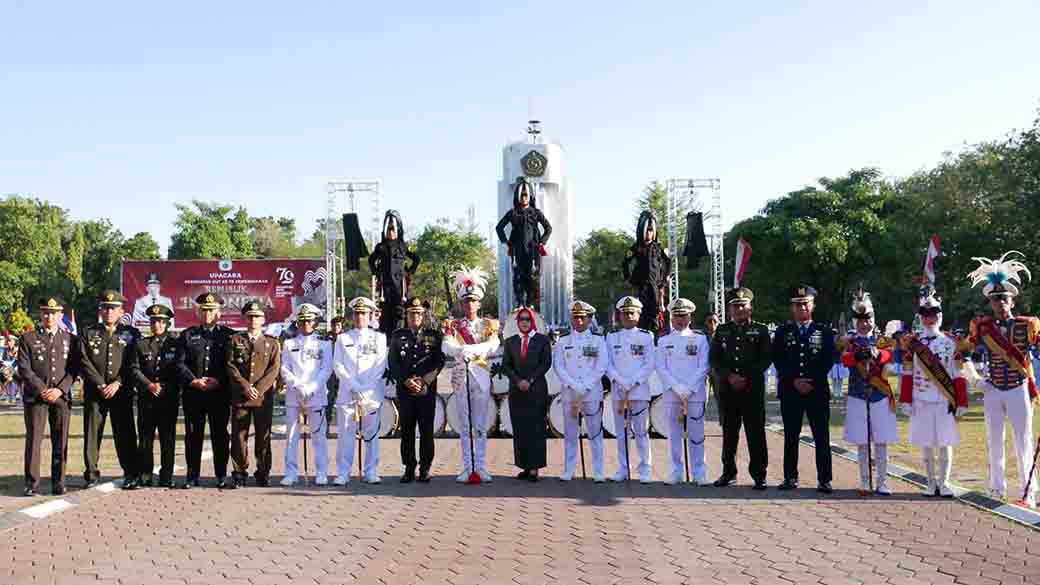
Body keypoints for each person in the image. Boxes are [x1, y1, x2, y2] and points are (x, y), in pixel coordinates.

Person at [965, 252, 1040, 506]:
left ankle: (1029, 492)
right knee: (994, 441)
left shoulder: (1028, 325)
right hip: (994, 389)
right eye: (995, 299)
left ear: (1012, 302)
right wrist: (975, 378)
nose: (1000, 303)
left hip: (1019, 388)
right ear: (991, 303)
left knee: (1023, 441)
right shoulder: (982, 326)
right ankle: (997, 488)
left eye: (1004, 299)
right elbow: (963, 353)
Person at [899, 286, 968, 497]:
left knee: (945, 442)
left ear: (940, 316)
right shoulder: (913, 343)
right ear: (921, 318)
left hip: (944, 399)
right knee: (926, 444)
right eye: (925, 315)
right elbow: (908, 373)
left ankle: (944, 483)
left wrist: (962, 401)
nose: (930, 319)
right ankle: (930, 483)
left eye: (933, 314)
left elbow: (958, 373)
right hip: (921, 399)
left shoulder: (950, 342)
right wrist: (906, 400)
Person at [772, 285, 836, 493]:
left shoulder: (824, 331)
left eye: (805, 304)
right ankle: (790, 477)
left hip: (816, 391)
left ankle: (824, 479)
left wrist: (811, 382)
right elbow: (778, 359)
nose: (802, 308)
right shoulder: (783, 331)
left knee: (821, 436)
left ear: (813, 305)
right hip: (790, 390)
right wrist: (794, 380)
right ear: (792, 307)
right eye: (797, 304)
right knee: (791, 436)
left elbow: (828, 360)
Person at [442, 266, 500, 483]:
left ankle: (481, 466)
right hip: (461, 377)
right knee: (465, 426)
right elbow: (447, 347)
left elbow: (493, 345)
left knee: (481, 425)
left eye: (473, 301)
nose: (469, 305)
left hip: (481, 377)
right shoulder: (453, 325)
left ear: (479, 303)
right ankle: (468, 467)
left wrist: (470, 349)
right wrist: (462, 351)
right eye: (466, 301)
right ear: (461, 303)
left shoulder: (488, 325)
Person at [708, 287, 770, 490]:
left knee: (756, 433)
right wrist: (730, 376)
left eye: (743, 305)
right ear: (729, 309)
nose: (739, 309)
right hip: (728, 389)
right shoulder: (722, 330)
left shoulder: (760, 330)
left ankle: (759, 475)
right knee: (729, 433)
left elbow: (765, 359)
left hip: (752, 389)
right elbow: (715, 359)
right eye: (735, 306)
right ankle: (728, 472)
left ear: (751, 307)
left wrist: (746, 377)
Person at [17, 297, 80, 496]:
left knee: (60, 441)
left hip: (61, 397)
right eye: (46, 313)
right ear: (40, 314)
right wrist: (43, 389)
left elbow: (74, 369)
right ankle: (31, 484)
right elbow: (24, 369)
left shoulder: (70, 339)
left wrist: (59, 390)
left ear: (60, 315)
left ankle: (59, 483)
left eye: (53, 313)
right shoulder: (28, 338)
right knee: (34, 441)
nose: (49, 317)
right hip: (36, 398)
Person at [80, 290, 141, 489]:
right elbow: (84, 360)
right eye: (105, 308)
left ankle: (131, 473)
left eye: (113, 308)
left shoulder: (132, 334)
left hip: (121, 392)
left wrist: (118, 383)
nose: (109, 311)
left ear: (121, 311)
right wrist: (100, 383)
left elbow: (134, 362)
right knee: (92, 434)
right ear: (100, 310)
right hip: (95, 392)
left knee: (125, 434)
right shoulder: (89, 332)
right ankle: (91, 474)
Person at [840, 289, 897, 496]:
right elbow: (844, 359)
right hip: (858, 394)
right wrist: (856, 355)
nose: (864, 324)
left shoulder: (882, 339)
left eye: (868, 319)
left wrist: (878, 354)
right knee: (862, 442)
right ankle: (865, 481)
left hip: (879, 395)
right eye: (861, 320)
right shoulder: (850, 341)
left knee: (881, 441)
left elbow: (890, 356)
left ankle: (882, 482)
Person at [176, 292, 235, 489]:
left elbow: (232, 365)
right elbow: (180, 363)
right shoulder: (187, 335)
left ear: (219, 312)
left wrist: (219, 380)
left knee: (220, 435)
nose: (208, 313)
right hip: (194, 394)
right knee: (193, 436)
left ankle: (221, 475)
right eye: (204, 310)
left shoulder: (229, 335)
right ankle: (192, 476)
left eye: (212, 310)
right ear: (198, 312)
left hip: (219, 394)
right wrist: (193, 381)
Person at [388, 298, 445, 483]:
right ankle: (409, 467)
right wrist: (406, 380)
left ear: (424, 314)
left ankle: (425, 468)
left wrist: (425, 381)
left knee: (426, 430)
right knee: (407, 430)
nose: (416, 317)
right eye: (412, 313)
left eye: (419, 313)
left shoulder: (434, 335)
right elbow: (393, 362)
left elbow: (439, 360)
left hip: (426, 390)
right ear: (406, 315)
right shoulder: (398, 336)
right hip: (405, 390)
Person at [656, 298, 711, 485]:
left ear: (690, 317)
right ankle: (676, 471)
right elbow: (660, 367)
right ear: (671, 318)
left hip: (694, 392)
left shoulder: (700, 339)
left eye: (684, 316)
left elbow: (704, 366)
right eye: (677, 316)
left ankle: (699, 472)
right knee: (674, 434)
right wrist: (677, 387)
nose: (680, 320)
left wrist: (689, 387)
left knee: (697, 434)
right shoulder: (664, 341)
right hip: (673, 393)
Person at [332, 297, 388, 484]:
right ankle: (343, 472)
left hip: (371, 394)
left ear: (370, 315)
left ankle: (371, 470)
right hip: (348, 394)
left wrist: (365, 389)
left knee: (371, 434)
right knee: (345, 435)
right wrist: (354, 386)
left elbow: (380, 366)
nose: (359, 317)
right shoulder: (343, 338)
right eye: (356, 313)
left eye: (363, 313)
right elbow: (338, 365)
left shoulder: (379, 338)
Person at [226, 301, 281, 489]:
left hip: (262, 398)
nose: (253, 320)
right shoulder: (235, 340)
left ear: (263, 319)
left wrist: (258, 389)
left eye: (257, 316)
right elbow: (231, 366)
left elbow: (274, 370)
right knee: (239, 436)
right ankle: (239, 473)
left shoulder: (272, 343)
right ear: (245, 318)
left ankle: (263, 473)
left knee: (263, 436)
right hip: (241, 396)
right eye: (250, 316)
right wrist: (245, 387)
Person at [553, 300, 609, 482]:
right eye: (575, 317)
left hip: (591, 392)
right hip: (570, 392)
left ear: (589, 319)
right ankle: (569, 469)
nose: (578, 321)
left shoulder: (598, 340)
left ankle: (598, 471)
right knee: (570, 433)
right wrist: (572, 384)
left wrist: (585, 385)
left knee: (595, 432)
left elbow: (602, 365)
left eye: (582, 318)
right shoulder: (563, 341)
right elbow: (558, 366)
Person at [280, 304, 333, 485]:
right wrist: (298, 386)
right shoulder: (289, 344)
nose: (306, 324)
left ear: (315, 322)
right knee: (292, 436)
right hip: (294, 395)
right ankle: (291, 473)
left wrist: (311, 388)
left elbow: (326, 369)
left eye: (309, 321)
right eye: (302, 321)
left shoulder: (324, 344)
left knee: (318, 436)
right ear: (298, 323)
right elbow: (285, 369)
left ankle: (321, 472)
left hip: (316, 395)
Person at [606, 296, 657, 483]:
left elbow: (650, 363)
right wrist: (620, 380)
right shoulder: (612, 337)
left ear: (638, 314)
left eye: (631, 313)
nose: (628, 316)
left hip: (639, 390)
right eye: (625, 313)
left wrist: (633, 381)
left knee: (641, 431)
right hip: (619, 389)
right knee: (621, 432)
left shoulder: (646, 336)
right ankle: (623, 468)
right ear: (619, 315)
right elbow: (607, 363)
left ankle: (645, 468)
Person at [131, 304, 181, 487]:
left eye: (161, 322)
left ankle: (166, 476)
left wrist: (164, 386)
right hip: (147, 399)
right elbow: (134, 369)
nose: (157, 325)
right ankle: (145, 475)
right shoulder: (141, 344)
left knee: (168, 438)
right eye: (153, 321)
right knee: (145, 438)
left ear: (167, 324)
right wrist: (149, 385)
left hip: (168, 399)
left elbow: (180, 370)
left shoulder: (176, 345)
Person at [501, 307, 552, 481]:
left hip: (536, 390)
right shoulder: (511, 341)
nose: (524, 322)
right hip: (517, 391)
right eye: (521, 319)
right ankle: (524, 465)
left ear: (532, 321)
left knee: (536, 428)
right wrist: (518, 381)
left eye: (527, 319)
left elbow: (545, 363)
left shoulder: (542, 340)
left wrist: (529, 380)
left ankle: (535, 468)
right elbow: (506, 365)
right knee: (520, 428)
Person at [496, 176, 552, 309]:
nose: (524, 198)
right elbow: (499, 227)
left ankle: (530, 303)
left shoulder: (536, 212)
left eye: (526, 195)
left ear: (530, 196)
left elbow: (548, 228)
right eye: (521, 195)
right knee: (518, 276)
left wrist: (542, 242)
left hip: (533, 250)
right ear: (518, 196)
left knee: (532, 277)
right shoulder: (513, 213)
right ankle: (520, 302)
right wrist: (506, 242)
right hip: (518, 251)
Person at [369, 211, 421, 336]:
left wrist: (409, 272)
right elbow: (371, 260)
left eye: (393, 230)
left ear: (397, 231)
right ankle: (386, 336)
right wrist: (377, 273)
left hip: (399, 285)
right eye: (388, 230)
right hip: (386, 284)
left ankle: (399, 334)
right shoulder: (380, 247)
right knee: (386, 310)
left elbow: (416, 259)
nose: (390, 232)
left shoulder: (402, 246)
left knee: (399, 311)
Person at [621, 211, 669, 334]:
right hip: (640, 286)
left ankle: (655, 335)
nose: (649, 233)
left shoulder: (658, 247)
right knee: (639, 311)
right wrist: (628, 279)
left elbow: (668, 262)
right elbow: (625, 262)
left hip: (654, 285)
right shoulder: (636, 247)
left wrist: (664, 279)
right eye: (647, 230)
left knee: (655, 312)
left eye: (651, 230)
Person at [324, 315, 345, 425]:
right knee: (329, 399)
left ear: (341, 327)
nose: (335, 327)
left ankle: (344, 426)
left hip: (342, 373)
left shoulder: (346, 339)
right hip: (330, 373)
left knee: (344, 401)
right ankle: (326, 424)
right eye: (334, 325)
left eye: (338, 325)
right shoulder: (326, 339)